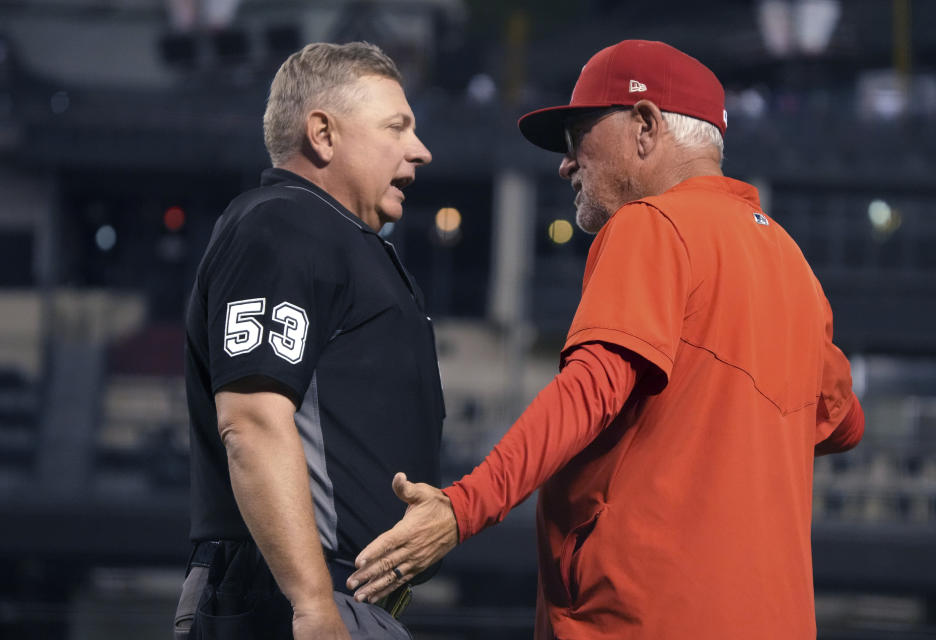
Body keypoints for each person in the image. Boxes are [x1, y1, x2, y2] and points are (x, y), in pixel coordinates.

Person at [347, 40, 865, 639]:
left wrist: (462, 508)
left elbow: (589, 391)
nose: (567, 164)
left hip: (648, 618)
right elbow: (842, 422)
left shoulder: (653, 223)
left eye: (579, 137)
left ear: (644, 127)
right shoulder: (793, 265)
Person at [174, 41, 444, 640]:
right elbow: (252, 421)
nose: (420, 150)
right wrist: (313, 607)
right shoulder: (286, 223)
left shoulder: (331, 233)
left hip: (328, 597)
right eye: (397, 126)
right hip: (292, 596)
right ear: (322, 133)